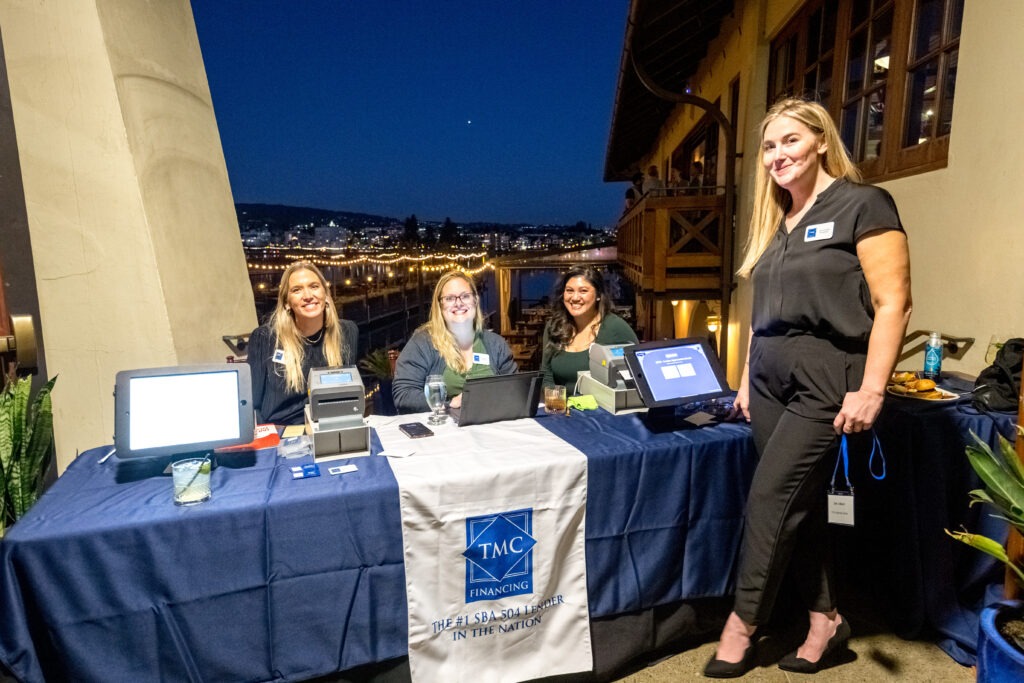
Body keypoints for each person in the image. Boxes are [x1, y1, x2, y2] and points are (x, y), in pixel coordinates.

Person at [703, 98, 911, 678]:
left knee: (770, 498)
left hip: (826, 374)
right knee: (801, 508)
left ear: (820, 140)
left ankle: (742, 624)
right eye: (769, 146)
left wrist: (873, 389)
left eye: (790, 140)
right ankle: (826, 619)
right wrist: (746, 377)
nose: (777, 155)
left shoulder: (862, 203)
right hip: (769, 377)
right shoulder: (777, 223)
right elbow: (763, 312)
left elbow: (894, 303)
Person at [247, 261, 358, 425]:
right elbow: (251, 404)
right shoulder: (264, 338)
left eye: (314, 286)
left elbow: (349, 394)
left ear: (326, 294)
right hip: (282, 431)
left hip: (329, 427)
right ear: (287, 302)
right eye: (297, 290)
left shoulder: (347, 331)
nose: (308, 296)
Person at [393, 271, 517, 413]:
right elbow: (403, 394)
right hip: (443, 424)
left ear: (475, 300)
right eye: (450, 298)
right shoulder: (422, 343)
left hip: (490, 422)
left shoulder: (496, 344)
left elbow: (515, 390)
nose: (458, 303)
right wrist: (449, 404)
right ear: (440, 305)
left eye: (465, 296)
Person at [540, 266, 638, 392]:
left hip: (601, 404)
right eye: (569, 290)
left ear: (598, 295)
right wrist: (554, 400)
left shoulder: (615, 328)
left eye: (583, 291)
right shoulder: (554, 327)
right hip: (562, 404)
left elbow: (638, 375)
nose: (575, 298)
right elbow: (546, 374)